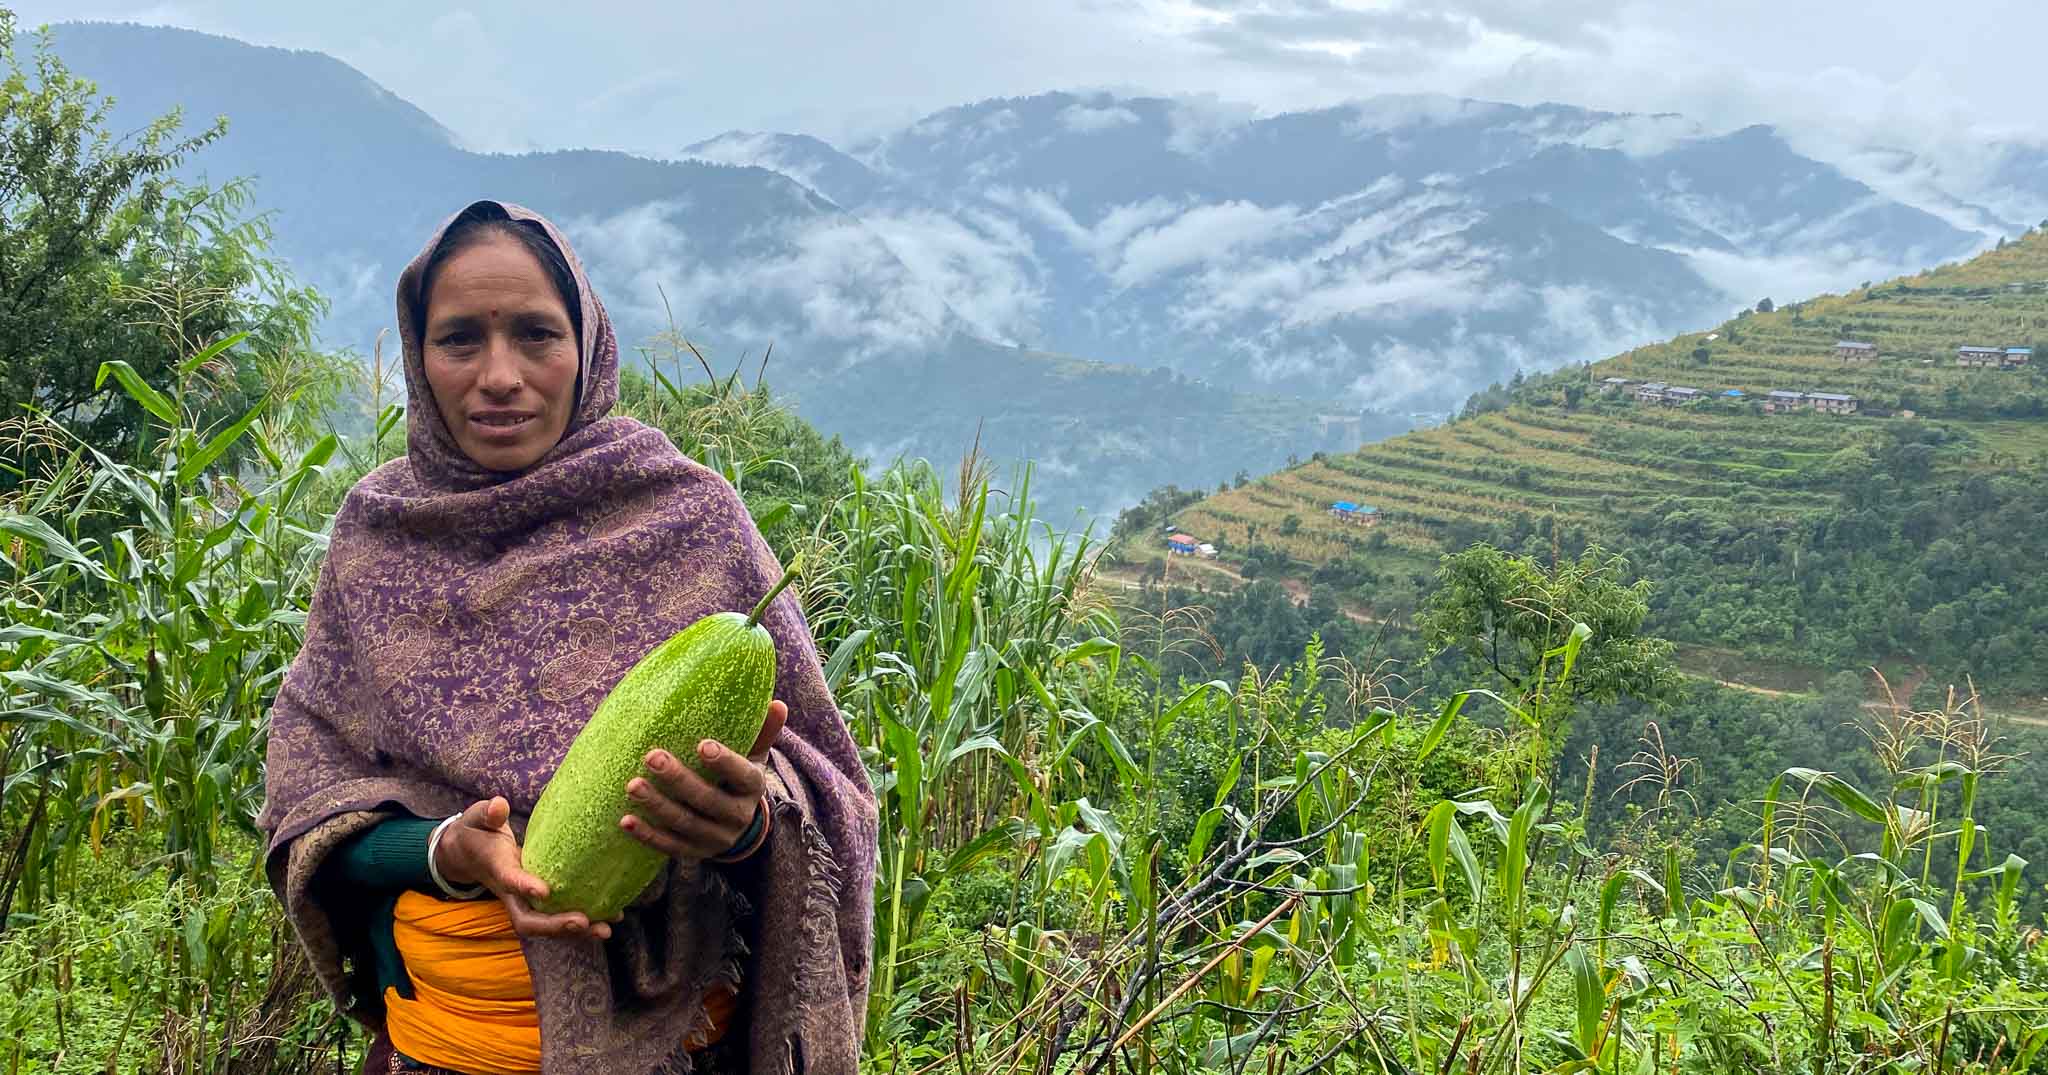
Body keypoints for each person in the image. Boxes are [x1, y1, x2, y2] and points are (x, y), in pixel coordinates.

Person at [257, 199, 876, 1074]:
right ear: (417, 354)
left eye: (538, 335)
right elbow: (309, 799)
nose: (499, 374)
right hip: (444, 1051)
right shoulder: (377, 537)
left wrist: (744, 825)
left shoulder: (691, 520)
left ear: (587, 347)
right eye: (460, 338)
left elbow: (833, 793)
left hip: (670, 1050)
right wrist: (441, 849)